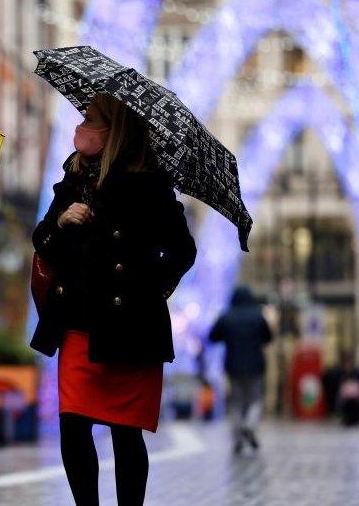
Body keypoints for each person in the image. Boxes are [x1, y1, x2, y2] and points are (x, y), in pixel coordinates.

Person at [31, 93, 197, 506]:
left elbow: (182, 251)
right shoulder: (73, 177)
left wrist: (147, 288)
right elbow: (43, 241)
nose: (82, 126)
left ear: (115, 130)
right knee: (72, 425)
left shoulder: (151, 184)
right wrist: (63, 221)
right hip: (78, 321)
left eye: (91, 118)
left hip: (130, 326)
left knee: (126, 433)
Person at [208, 286, 272, 455]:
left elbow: (213, 336)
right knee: (255, 399)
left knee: (236, 401)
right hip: (256, 366)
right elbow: (268, 337)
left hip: (233, 366)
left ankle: (237, 439)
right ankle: (249, 425)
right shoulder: (258, 316)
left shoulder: (227, 316)